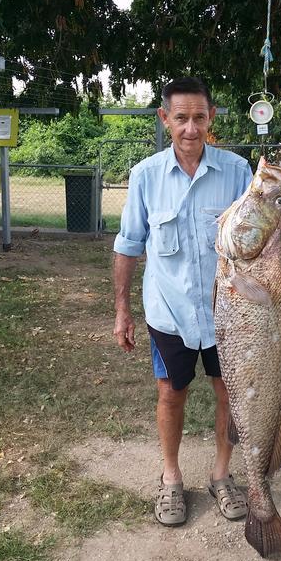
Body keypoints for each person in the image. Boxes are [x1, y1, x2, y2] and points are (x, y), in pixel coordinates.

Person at [113, 77, 253, 526]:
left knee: (227, 394)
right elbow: (129, 244)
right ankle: (171, 479)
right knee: (171, 394)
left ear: (211, 117)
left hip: (225, 317)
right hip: (168, 313)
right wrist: (122, 310)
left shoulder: (237, 172)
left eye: (199, 117)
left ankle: (221, 474)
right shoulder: (145, 176)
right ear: (165, 119)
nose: (191, 128)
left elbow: (258, 243)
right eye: (181, 118)